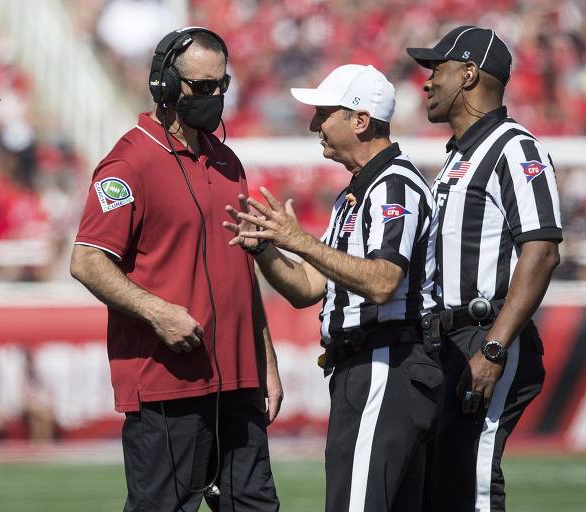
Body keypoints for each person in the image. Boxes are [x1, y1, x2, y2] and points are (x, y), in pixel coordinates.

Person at [69, 27, 282, 512]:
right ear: (165, 85)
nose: (214, 97)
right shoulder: (128, 163)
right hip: (169, 383)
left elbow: (241, 270)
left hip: (238, 379)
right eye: (201, 87)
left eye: (221, 85)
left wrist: (264, 360)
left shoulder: (228, 161)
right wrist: (157, 311)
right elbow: (86, 260)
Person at [225, 64, 441, 512]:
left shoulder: (394, 184)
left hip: (387, 362)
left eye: (325, 113)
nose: (313, 124)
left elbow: (383, 281)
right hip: (366, 366)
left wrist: (297, 240)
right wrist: (265, 249)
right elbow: (308, 286)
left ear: (360, 120)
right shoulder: (353, 196)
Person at [406, 26, 562, 512]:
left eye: (437, 69)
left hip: (485, 332)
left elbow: (541, 250)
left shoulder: (514, 148)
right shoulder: (459, 156)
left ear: (470, 73)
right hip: (449, 340)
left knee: (470, 480)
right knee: (441, 482)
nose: (427, 82)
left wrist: (494, 347)